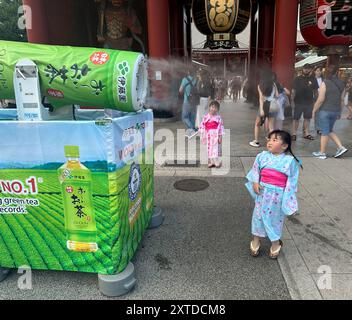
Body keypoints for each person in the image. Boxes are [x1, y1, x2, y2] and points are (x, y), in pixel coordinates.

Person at [246, 130, 302, 259]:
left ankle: (276, 243)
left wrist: (288, 199)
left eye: (275, 140)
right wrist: (255, 182)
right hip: (263, 192)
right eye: (269, 139)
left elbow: (292, 182)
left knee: (275, 219)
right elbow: (255, 170)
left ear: (284, 145)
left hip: (278, 195)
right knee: (258, 216)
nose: (270, 142)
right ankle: (256, 240)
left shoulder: (289, 161)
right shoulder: (262, 156)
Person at [312, 65, 348, 160]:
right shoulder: (342, 84)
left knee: (325, 132)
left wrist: (314, 110)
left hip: (325, 111)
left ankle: (322, 153)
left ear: (326, 73)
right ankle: (340, 147)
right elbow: (341, 100)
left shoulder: (325, 83)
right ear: (337, 72)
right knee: (329, 130)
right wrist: (339, 111)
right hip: (335, 111)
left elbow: (320, 99)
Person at [249, 69, 279, 148]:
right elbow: (277, 96)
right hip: (273, 105)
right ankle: (272, 143)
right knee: (271, 126)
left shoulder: (260, 85)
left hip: (265, 105)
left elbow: (261, 98)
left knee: (257, 124)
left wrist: (262, 109)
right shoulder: (273, 84)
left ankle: (256, 141)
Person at [291, 63, 319, 141]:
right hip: (298, 102)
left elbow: (316, 91)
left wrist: (315, 101)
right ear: (302, 69)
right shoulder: (297, 78)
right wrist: (292, 101)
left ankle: (306, 133)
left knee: (307, 118)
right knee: (296, 118)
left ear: (310, 69)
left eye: (308, 68)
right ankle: (294, 133)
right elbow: (293, 90)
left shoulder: (313, 79)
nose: (306, 70)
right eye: (305, 68)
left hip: (309, 102)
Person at [199, 100, 224, 168]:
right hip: (208, 135)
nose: (213, 109)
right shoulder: (205, 117)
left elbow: (221, 128)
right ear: (209, 107)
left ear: (217, 110)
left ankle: (216, 161)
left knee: (216, 148)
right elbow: (202, 125)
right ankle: (210, 161)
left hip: (215, 134)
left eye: (215, 108)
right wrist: (202, 133)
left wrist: (220, 136)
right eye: (212, 107)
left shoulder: (218, 118)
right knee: (209, 148)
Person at [179, 69, 198, 138]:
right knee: (192, 118)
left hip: (187, 101)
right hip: (194, 101)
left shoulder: (185, 79)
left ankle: (193, 130)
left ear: (188, 72)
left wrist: (186, 91)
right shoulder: (196, 80)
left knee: (184, 117)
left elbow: (180, 90)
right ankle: (191, 133)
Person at [313, 67, 324, 135]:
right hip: (313, 99)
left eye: (320, 70)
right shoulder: (312, 79)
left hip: (322, 98)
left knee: (321, 114)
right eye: (317, 71)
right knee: (315, 114)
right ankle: (306, 129)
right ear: (315, 71)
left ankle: (320, 128)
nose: (319, 72)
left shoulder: (323, 80)